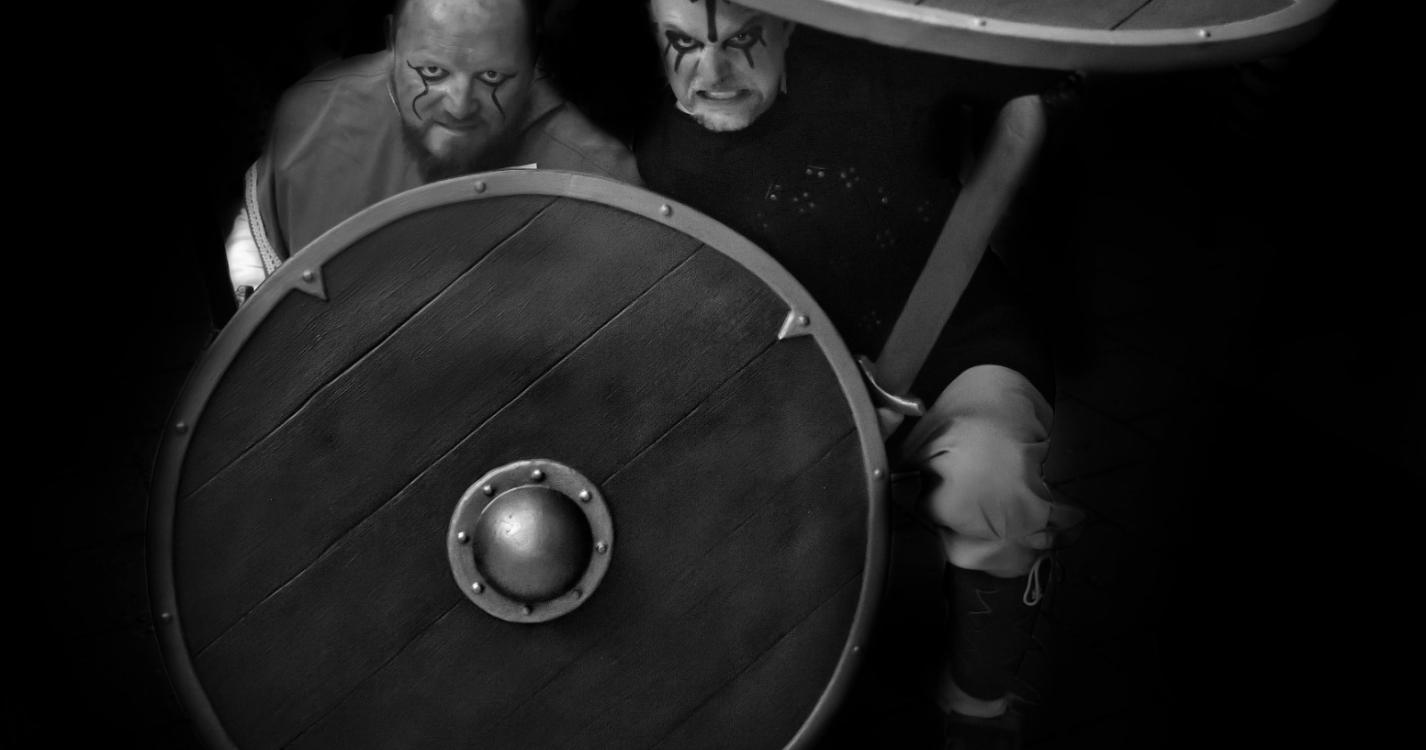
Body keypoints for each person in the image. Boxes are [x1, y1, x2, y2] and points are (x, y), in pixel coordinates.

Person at [634, 0, 1082, 745]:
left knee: (992, 483)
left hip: (956, 356)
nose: (712, 71)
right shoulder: (639, 142)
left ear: (790, 27)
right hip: (786, 384)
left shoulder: (879, 67)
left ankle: (978, 703)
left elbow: (1030, 78)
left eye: (742, 41)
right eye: (684, 44)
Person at [225, 0, 642, 300]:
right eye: (431, 72)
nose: (459, 107)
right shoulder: (312, 124)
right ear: (393, 41)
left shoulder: (601, 184)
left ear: (532, 59)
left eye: (492, 76)